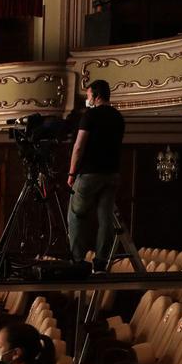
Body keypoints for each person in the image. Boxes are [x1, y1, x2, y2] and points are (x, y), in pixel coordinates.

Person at [67, 80, 125, 272]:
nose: (88, 98)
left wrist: (71, 173)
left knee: (76, 215)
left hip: (90, 174)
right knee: (105, 219)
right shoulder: (118, 117)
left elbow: (79, 146)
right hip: (112, 173)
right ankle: (100, 262)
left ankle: (77, 260)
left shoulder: (90, 115)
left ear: (96, 95)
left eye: (89, 95)